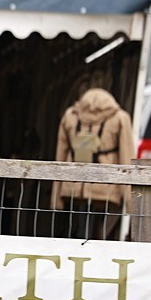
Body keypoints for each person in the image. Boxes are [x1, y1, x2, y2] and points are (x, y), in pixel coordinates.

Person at [50, 87, 134, 240]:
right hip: (106, 188)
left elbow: (60, 155)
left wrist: (56, 198)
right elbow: (126, 157)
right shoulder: (121, 118)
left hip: (72, 187)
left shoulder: (70, 116)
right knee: (100, 233)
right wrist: (129, 201)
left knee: (74, 231)